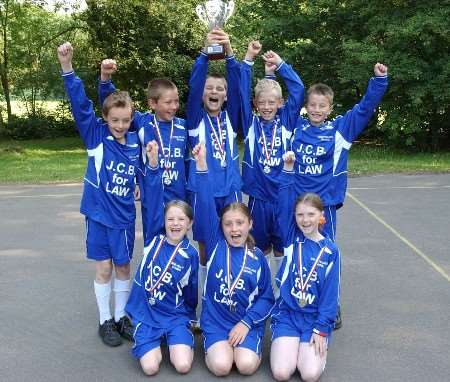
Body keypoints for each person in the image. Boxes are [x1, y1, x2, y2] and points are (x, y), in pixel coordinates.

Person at [290, 62, 388, 328]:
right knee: (295, 252)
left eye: (323, 106)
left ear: (330, 108)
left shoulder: (340, 130)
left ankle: (330, 304)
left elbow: (365, 108)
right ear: (306, 106)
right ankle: (294, 300)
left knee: (325, 253)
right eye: (313, 105)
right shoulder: (295, 128)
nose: (317, 110)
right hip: (296, 206)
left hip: (324, 208)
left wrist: (378, 81)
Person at [57, 42, 138, 346]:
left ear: (131, 119)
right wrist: (68, 68)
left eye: (125, 120)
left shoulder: (135, 143)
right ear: (106, 119)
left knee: (123, 266)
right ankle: (105, 320)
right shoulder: (96, 137)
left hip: (125, 218)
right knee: (104, 268)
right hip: (99, 216)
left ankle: (121, 318)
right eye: (114, 120)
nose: (120, 125)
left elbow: (143, 173)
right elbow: (81, 105)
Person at [192, 143, 274, 377]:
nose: (234, 229)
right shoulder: (216, 244)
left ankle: (242, 345)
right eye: (228, 224)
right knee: (221, 367)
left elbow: (266, 298)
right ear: (221, 227)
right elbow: (206, 201)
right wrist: (202, 165)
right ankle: (218, 345)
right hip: (216, 322)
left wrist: (247, 323)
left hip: (244, 322)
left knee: (246, 366)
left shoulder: (258, 258)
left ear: (250, 225)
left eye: (240, 223)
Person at [125, 140, 199, 376]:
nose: (175, 224)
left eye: (181, 220)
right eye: (171, 219)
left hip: (175, 315)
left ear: (189, 224)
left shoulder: (191, 254)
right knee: (150, 367)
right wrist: (154, 165)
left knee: (183, 365)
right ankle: (149, 337)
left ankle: (177, 336)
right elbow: (154, 200)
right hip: (148, 313)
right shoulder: (153, 239)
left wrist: (188, 315)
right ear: (164, 222)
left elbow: (191, 290)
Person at [98, 60, 189, 245]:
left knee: (177, 241)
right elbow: (114, 105)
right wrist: (106, 78)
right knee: (154, 242)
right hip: (152, 194)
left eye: (176, 101)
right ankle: (152, 272)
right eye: (168, 102)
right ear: (152, 103)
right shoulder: (142, 121)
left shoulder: (183, 126)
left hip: (177, 195)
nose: (174, 106)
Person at [186, 28, 242, 322]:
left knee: (235, 240)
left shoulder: (232, 117)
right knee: (206, 244)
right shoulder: (195, 119)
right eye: (210, 88)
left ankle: (231, 299)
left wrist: (229, 52)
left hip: (230, 190)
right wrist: (206, 52)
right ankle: (206, 305)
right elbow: (195, 84)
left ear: (226, 95)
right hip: (204, 190)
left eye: (220, 89)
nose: (214, 92)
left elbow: (240, 84)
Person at [270, 151, 340, 382]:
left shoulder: (330, 251)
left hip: (313, 319)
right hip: (288, 316)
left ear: (321, 216)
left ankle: (315, 348)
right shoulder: (291, 238)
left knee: (309, 374)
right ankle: (291, 346)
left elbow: (331, 296)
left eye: (311, 214)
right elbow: (283, 203)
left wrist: (321, 328)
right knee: (281, 373)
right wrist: (288, 170)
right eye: (300, 215)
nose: (305, 220)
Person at [240, 41, 304, 275]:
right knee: (259, 246)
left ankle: (281, 293)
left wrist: (281, 66)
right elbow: (241, 90)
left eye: (272, 102)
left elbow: (298, 90)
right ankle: (263, 291)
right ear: (255, 104)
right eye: (262, 103)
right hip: (258, 198)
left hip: (283, 197)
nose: (267, 107)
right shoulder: (250, 124)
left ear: (280, 103)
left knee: (282, 245)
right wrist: (248, 61)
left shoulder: (286, 122)